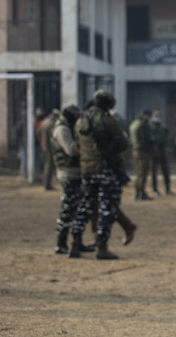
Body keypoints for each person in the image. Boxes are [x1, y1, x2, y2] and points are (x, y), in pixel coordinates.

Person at [73, 90, 128, 260]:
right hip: (105, 169)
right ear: (108, 104)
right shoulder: (106, 120)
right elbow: (123, 143)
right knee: (107, 208)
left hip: (86, 170)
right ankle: (102, 247)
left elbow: (78, 144)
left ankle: (75, 244)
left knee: (85, 207)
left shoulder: (81, 121)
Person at [50, 104, 94, 256]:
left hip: (75, 172)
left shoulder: (68, 127)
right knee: (68, 209)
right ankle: (60, 243)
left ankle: (77, 242)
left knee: (77, 210)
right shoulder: (62, 129)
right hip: (68, 174)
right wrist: (86, 145)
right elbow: (71, 150)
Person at [129, 109, 154, 201]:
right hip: (142, 151)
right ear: (145, 115)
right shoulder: (143, 125)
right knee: (143, 172)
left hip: (135, 150)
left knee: (138, 172)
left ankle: (138, 192)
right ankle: (141, 192)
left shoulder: (134, 123)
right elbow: (145, 138)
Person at [149, 109, 174, 196]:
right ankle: (155, 189)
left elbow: (166, 135)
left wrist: (166, 128)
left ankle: (167, 188)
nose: (157, 115)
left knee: (165, 170)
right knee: (154, 171)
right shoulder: (150, 125)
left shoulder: (162, 124)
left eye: (158, 114)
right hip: (153, 151)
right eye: (155, 114)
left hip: (162, 150)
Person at [39, 109, 60, 190]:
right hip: (49, 147)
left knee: (47, 165)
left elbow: (38, 133)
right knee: (49, 166)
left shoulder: (44, 122)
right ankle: (47, 184)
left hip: (43, 146)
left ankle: (46, 183)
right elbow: (53, 136)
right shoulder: (51, 124)